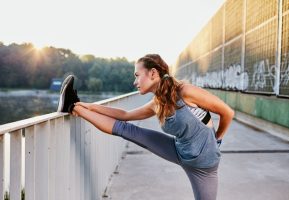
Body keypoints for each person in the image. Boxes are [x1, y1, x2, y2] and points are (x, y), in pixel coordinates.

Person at [57, 54, 234, 200]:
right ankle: (73, 106)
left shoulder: (186, 92)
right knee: (127, 130)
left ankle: (74, 106)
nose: (135, 82)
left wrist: (217, 139)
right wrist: (88, 105)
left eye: (136, 75)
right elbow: (124, 116)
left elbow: (227, 113)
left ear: (153, 73)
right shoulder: (157, 103)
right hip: (179, 151)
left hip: (203, 167)